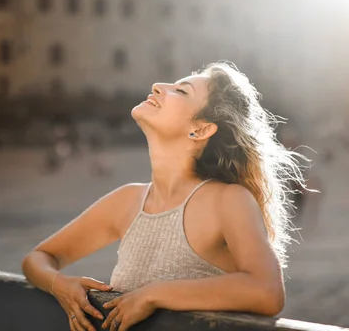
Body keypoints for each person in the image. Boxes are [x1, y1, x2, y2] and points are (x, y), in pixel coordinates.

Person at [22, 62, 307, 331]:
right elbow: (38, 258)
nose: (158, 85)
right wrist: (59, 284)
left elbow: (267, 291)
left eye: (181, 91)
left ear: (201, 129)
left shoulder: (228, 201)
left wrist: (155, 295)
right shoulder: (126, 201)